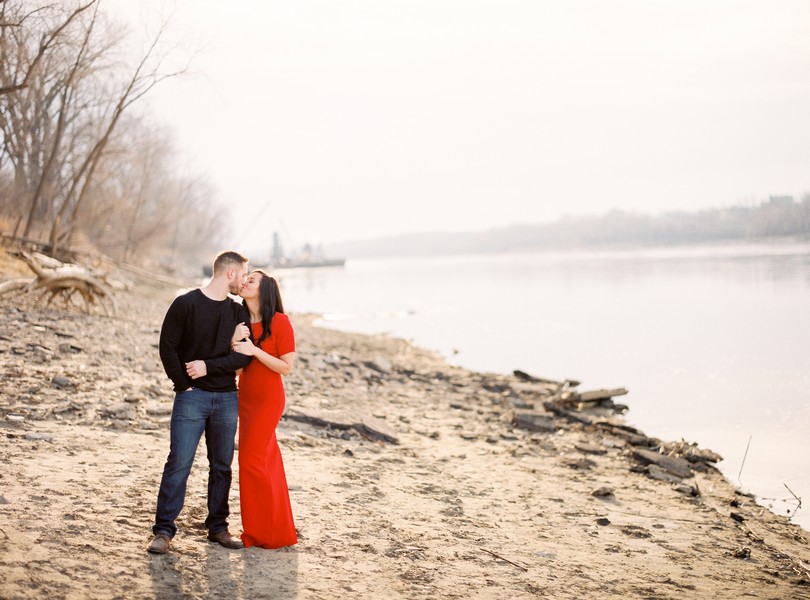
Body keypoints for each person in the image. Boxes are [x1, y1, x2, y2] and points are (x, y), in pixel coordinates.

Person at [147, 251, 253, 555]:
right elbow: (167, 347)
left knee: (221, 465)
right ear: (230, 273)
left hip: (226, 398)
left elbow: (244, 355)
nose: (244, 281)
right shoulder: (185, 303)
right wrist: (184, 385)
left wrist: (207, 366)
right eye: (243, 274)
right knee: (179, 463)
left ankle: (218, 527)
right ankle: (163, 531)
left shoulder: (237, 312)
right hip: (191, 399)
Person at [231, 270, 298, 549]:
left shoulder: (280, 322)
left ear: (265, 289)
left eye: (251, 280)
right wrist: (234, 341)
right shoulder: (240, 321)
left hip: (269, 399)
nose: (245, 282)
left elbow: (286, 368)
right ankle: (275, 529)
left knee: (252, 461)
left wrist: (255, 351)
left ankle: (262, 534)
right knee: (266, 461)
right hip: (245, 397)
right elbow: (235, 366)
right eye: (244, 278)